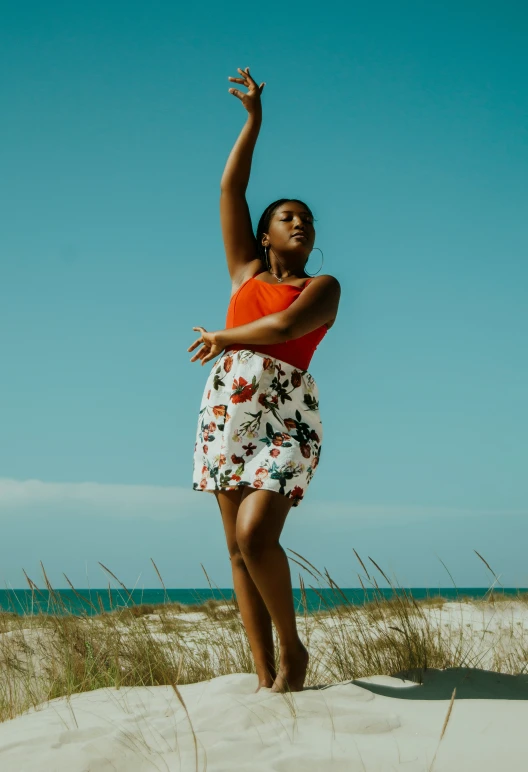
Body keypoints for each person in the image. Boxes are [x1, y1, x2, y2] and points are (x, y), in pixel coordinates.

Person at [187, 67, 341, 693]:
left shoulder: (322, 287)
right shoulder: (243, 273)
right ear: (265, 233)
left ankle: (293, 651)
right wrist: (253, 122)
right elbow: (232, 187)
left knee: (256, 536)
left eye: (306, 218)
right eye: (286, 216)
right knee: (235, 553)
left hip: (287, 415)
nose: (299, 223)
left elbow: (282, 331)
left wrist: (223, 338)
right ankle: (264, 680)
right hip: (229, 412)